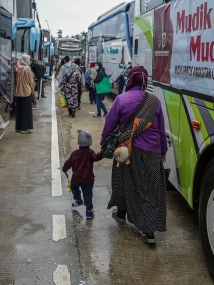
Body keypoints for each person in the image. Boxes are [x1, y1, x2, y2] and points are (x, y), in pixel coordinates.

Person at [101, 66, 167, 244]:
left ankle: (121, 213)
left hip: (127, 150)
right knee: (150, 188)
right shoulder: (155, 101)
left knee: (124, 182)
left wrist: (103, 142)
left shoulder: (121, 99)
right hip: (152, 151)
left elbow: (109, 123)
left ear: (130, 80)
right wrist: (163, 151)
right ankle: (149, 231)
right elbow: (160, 129)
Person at [62, 129, 103, 219]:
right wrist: (103, 152)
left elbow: (68, 163)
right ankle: (89, 211)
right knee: (88, 194)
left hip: (76, 178)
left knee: (74, 187)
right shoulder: (90, 152)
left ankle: (78, 199)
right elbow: (96, 157)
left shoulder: (75, 153)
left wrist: (64, 169)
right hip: (88, 179)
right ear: (90, 142)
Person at [14, 54, 35, 134]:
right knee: (26, 111)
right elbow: (31, 81)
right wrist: (32, 87)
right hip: (26, 92)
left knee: (19, 110)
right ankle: (24, 128)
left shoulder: (17, 67)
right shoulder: (27, 69)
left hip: (17, 92)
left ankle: (18, 127)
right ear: (26, 60)